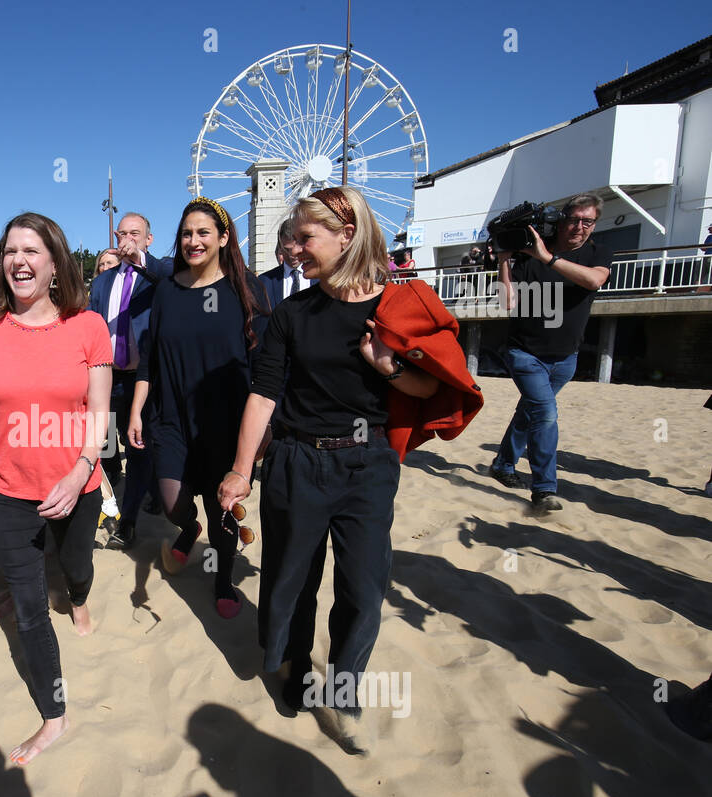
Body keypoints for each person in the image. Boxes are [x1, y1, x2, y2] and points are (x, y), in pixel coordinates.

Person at [218, 185, 481, 747]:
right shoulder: (291, 313)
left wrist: (385, 366)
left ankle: (344, 683)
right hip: (294, 461)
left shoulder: (398, 305)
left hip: (369, 464)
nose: (295, 249)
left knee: (362, 585)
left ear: (347, 234)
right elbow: (264, 395)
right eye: (292, 240)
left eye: (305, 238)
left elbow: (431, 382)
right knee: (291, 580)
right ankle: (291, 665)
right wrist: (241, 470)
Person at [0, 212, 112, 766]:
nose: (19, 260)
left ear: (54, 264)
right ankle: (54, 715)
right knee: (27, 606)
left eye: (32, 251)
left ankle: (82, 600)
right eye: (10, 251)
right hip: (7, 486)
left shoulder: (88, 326)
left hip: (77, 483)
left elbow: (98, 412)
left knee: (75, 570)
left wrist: (79, 470)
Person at [128, 197, 268, 618]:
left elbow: (266, 366)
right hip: (169, 417)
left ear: (224, 237)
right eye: (187, 233)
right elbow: (150, 357)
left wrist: (264, 427)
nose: (194, 241)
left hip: (225, 420)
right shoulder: (168, 290)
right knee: (172, 502)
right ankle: (189, 529)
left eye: (204, 232)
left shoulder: (248, 288)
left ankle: (223, 579)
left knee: (220, 504)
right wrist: (136, 409)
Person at [490, 192, 613, 511]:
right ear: (561, 221)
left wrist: (548, 258)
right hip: (525, 354)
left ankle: (503, 465)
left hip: (565, 360)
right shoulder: (528, 258)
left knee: (529, 412)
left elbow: (593, 282)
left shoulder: (598, 253)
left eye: (588, 221)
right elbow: (507, 303)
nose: (579, 227)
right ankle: (544, 489)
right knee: (544, 414)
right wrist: (504, 260)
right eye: (574, 220)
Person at [87, 213, 173, 549]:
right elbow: (93, 328)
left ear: (148, 239)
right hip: (108, 378)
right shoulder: (102, 283)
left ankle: (131, 519)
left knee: (139, 444)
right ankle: (113, 491)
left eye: (135, 234)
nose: (127, 239)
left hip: (145, 378)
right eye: (122, 233)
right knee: (105, 440)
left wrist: (139, 260)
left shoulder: (158, 276)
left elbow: (170, 273)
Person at [259, 217, 315, 309]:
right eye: (287, 249)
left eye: (296, 247)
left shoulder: (321, 279)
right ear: (280, 247)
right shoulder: (264, 282)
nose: (292, 255)